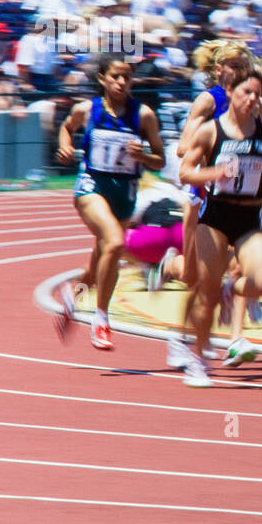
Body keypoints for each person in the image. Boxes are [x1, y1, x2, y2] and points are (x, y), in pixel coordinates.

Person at [178, 64, 262, 386]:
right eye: (245, 92)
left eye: (257, 94)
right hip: (216, 217)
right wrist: (215, 174)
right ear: (230, 94)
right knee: (205, 297)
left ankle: (229, 289)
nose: (252, 99)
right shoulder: (211, 130)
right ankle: (197, 358)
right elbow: (185, 172)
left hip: (249, 217)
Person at [56, 55, 166, 349]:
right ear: (102, 79)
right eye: (115, 76)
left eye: (127, 77)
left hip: (124, 193)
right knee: (115, 243)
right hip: (92, 186)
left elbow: (160, 158)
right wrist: (66, 147)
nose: (121, 82)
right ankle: (102, 319)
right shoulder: (86, 110)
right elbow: (66, 128)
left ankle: (73, 296)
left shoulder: (144, 116)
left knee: (100, 263)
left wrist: (143, 156)